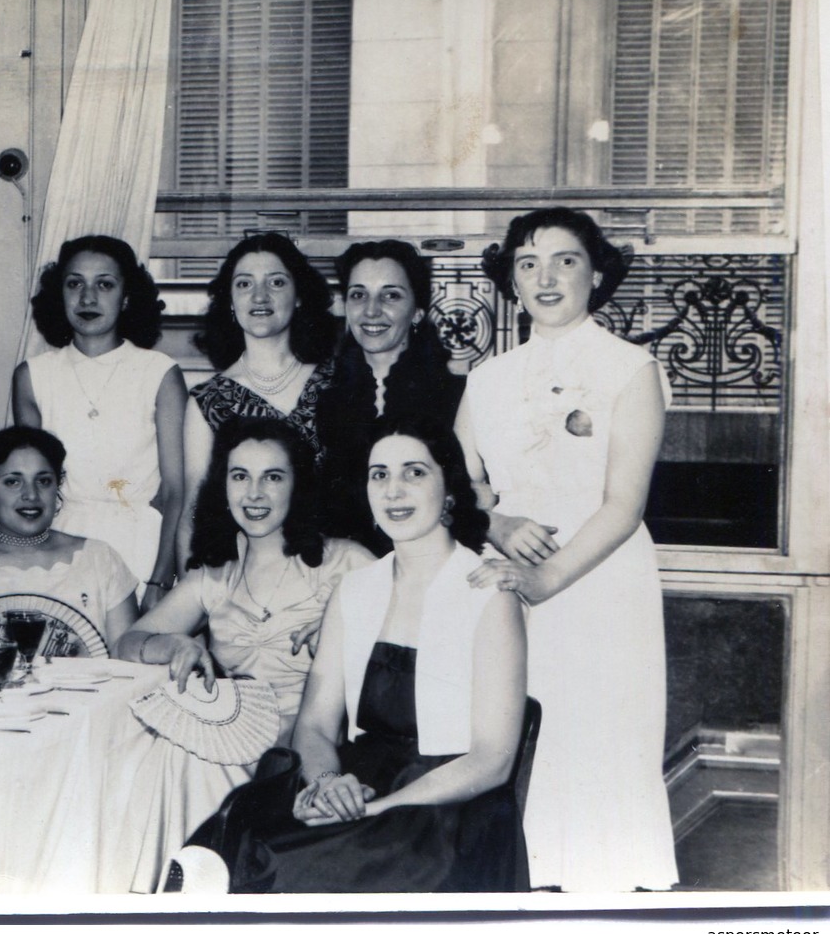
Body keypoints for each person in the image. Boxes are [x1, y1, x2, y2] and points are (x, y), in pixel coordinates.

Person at [178, 420, 528, 893]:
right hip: (359, 780)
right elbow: (316, 726)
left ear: (449, 491)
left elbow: (492, 761)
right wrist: (328, 784)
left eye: (415, 473)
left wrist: (375, 809)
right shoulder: (356, 588)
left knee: (285, 868)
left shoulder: (488, 593)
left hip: (446, 809)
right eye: (379, 474)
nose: (394, 490)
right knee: (229, 838)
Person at [457, 207, 678, 891]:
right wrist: (496, 525)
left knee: (596, 751)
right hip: (505, 577)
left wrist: (545, 578)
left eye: (564, 260)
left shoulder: (628, 368)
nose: (544, 276)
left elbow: (622, 504)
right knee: (512, 745)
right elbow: (461, 485)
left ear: (597, 272)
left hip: (599, 582)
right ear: (510, 280)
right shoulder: (486, 376)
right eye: (527, 263)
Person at [118, 417, 374, 744]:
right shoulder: (214, 577)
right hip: (231, 746)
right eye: (240, 476)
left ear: (298, 485)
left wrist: (350, 631)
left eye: (273, 477)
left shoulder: (346, 562)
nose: (254, 494)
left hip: (314, 754)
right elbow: (126, 643)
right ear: (222, 487)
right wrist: (175, 644)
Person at [12, 235, 186, 607]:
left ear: (126, 297)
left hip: (141, 548)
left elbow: (176, 491)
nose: (87, 298)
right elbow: (30, 489)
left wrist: (161, 580)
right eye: (75, 284)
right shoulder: (33, 376)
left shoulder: (159, 373)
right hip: (59, 544)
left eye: (104, 284)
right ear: (59, 295)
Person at [181, 233, 340, 564]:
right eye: (244, 284)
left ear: (299, 296)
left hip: (334, 565)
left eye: (276, 282)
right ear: (229, 300)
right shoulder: (207, 402)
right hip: (246, 574)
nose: (259, 296)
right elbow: (194, 511)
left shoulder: (338, 381)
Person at [0, 426, 139, 651]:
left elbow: (126, 664)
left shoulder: (100, 559)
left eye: (43, 481)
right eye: (13, 482)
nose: (31, 494)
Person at [321, 241, 465, 553]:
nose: (371, 310)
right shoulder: (323, 399)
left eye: (391, 295)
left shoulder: (457, 396)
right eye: (358, 295)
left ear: (417, 312)